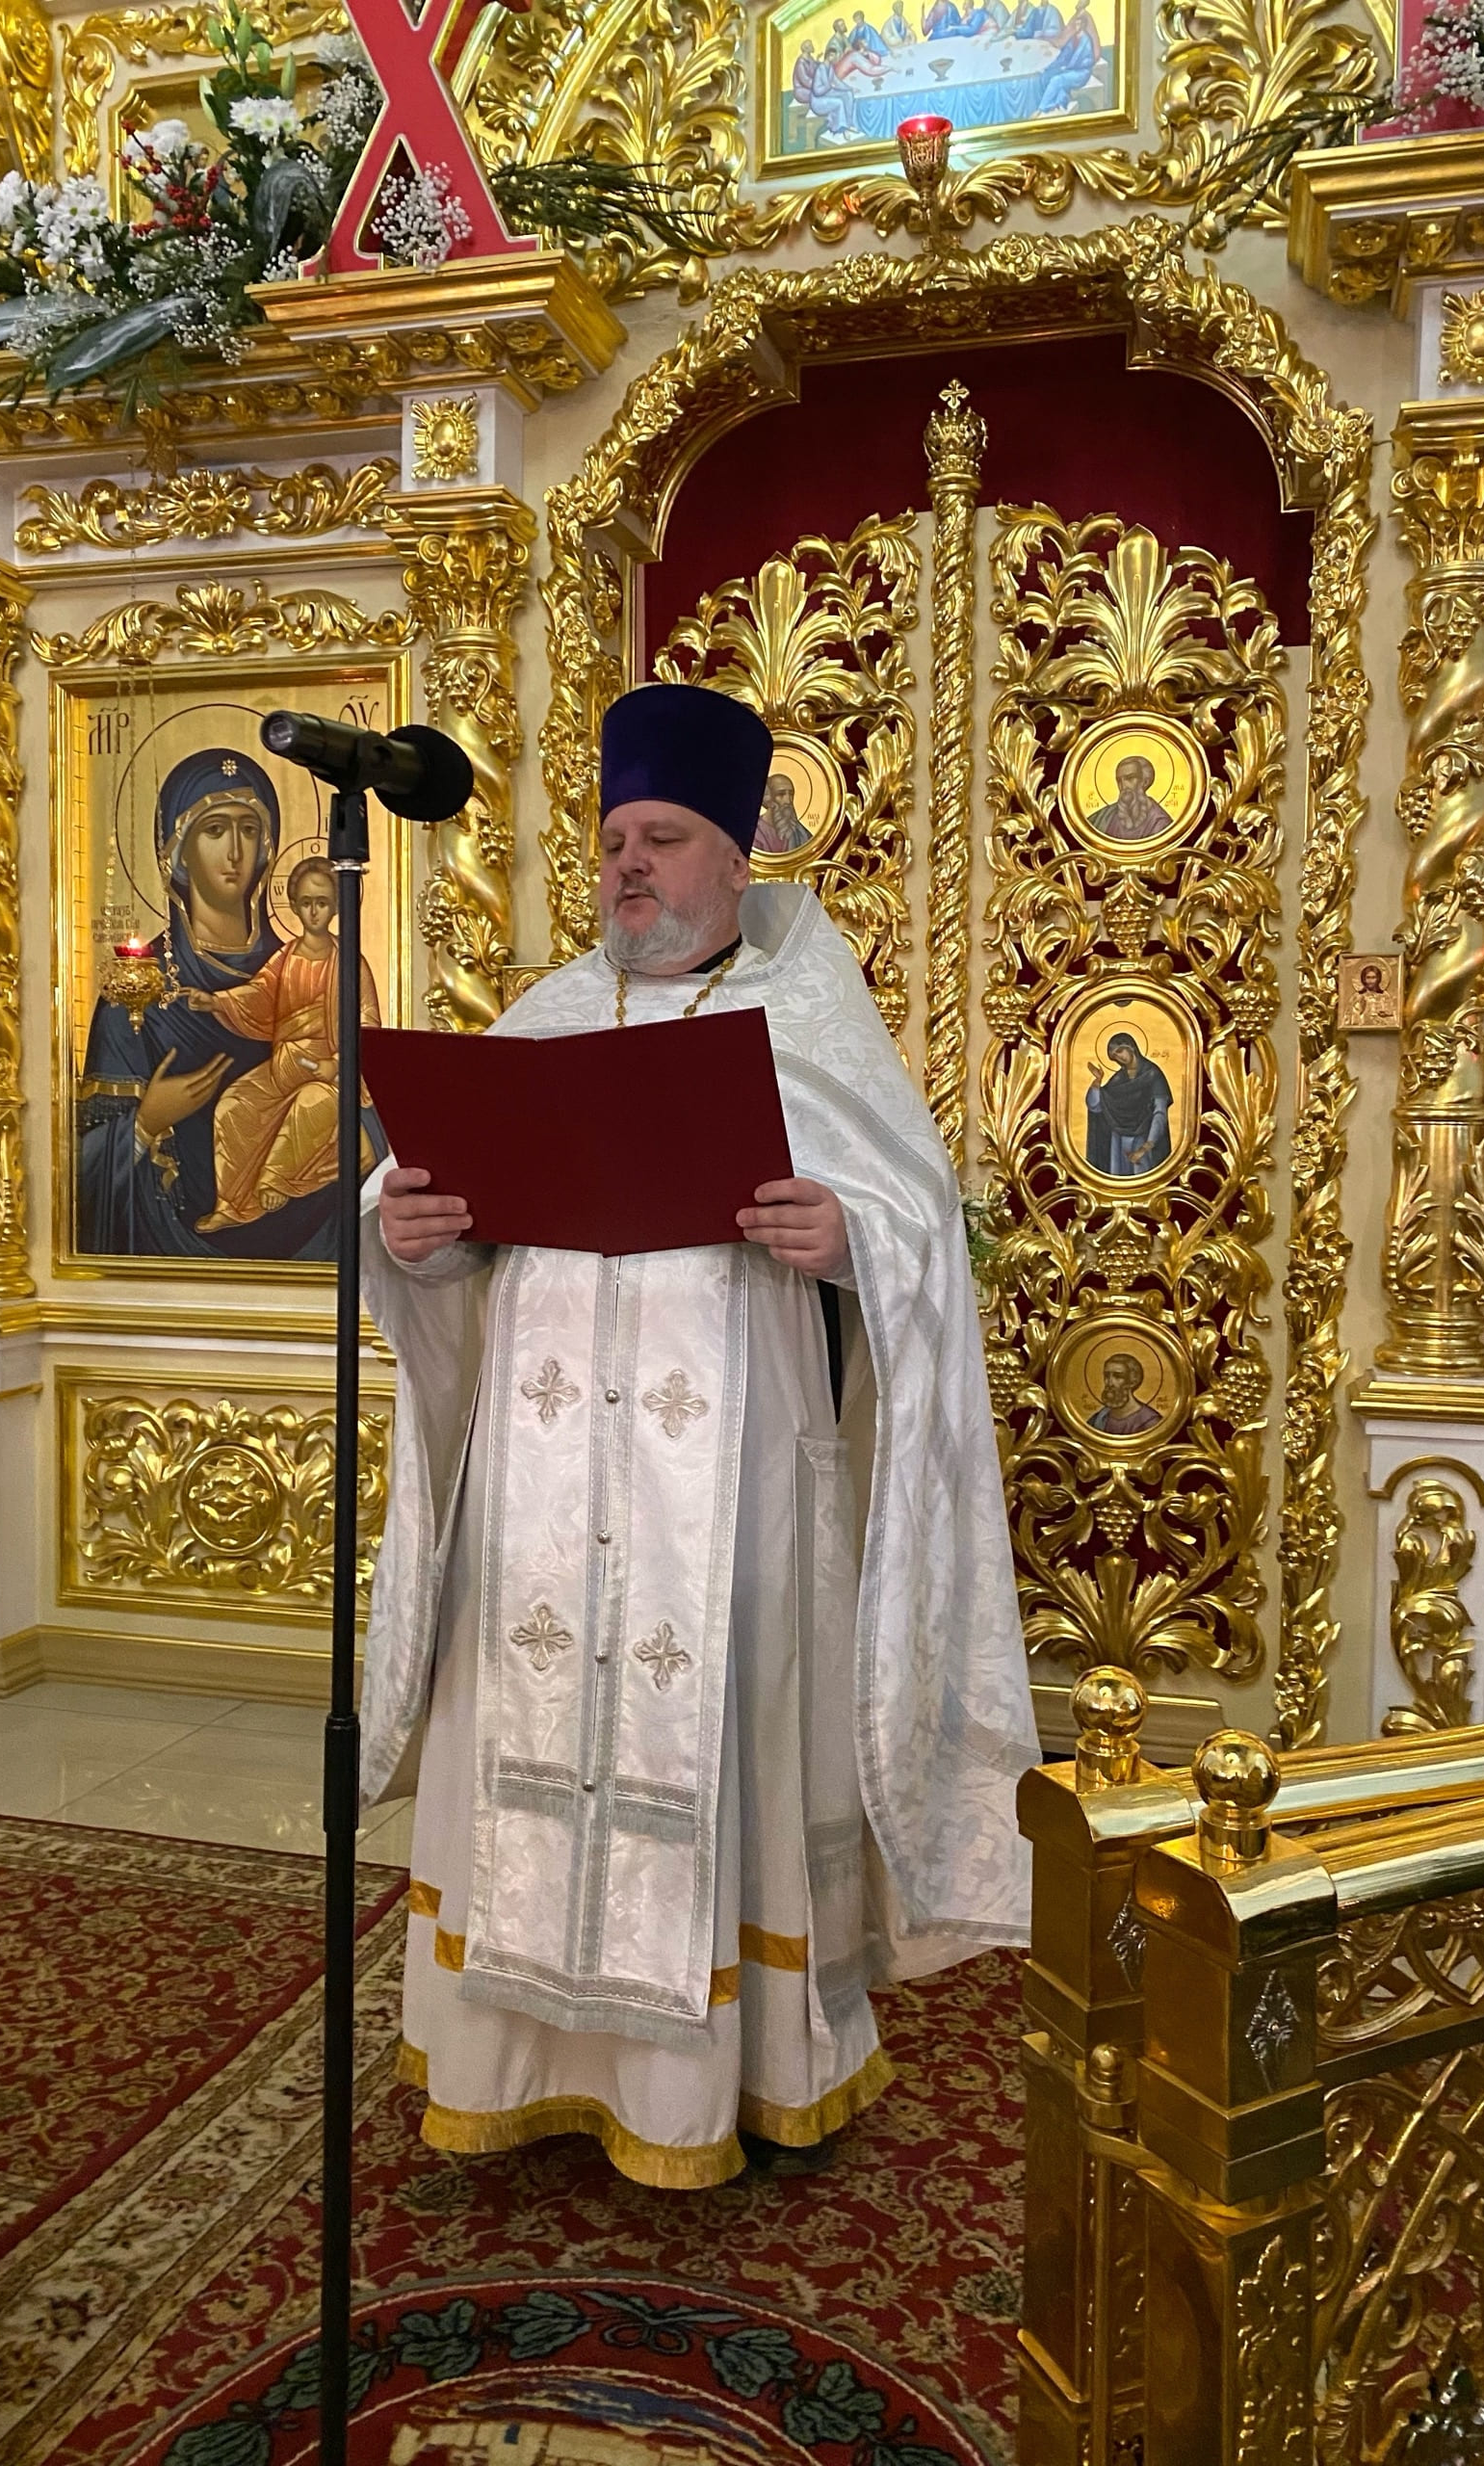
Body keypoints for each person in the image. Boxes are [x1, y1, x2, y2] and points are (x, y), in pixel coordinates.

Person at [362, 679, 1035, 2189]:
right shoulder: (542, 1017)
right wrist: (412, 1236)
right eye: (614, 842)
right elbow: (458, 1239)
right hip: (540, 1483)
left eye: (661, 840)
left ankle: (722, 2081)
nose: (628, 868)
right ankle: (512, 2059)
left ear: (737, 858)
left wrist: (849, 1240)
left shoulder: (811, 1021)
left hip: (725, 1488)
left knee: (719, 1738)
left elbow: (921, 1236)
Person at [76, 748, 385, 1260]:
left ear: (267, 847)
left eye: (249, 830)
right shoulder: (137, 990)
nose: (235, 852)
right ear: (177, 850)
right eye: (215, 830)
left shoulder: (308, 963)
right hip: (170, 1263)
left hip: (319, 1247)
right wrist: (146, 1122)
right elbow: (79, 1174)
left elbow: (374, 1088)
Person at [188, 855, 381, 1235]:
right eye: (306, 902)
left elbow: (367, 1024)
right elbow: (259, 994)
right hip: (283, 1068)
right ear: (293, 905)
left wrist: (337, 1063)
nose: (314, 912)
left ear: (336, 907)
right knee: (232, 1105)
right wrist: (216, 1002)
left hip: (330, 1075)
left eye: (322, 902)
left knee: (309, 1103)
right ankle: (231, 1206)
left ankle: (274, 1182)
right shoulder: (286, 957)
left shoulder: (350, 963)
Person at [1084, 1030, 1172, 1175]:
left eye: (1120, 1051)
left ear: (1131, 1047)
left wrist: (1146, 1147)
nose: (1119, 1057)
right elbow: (1096, 1106)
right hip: (1118, 1141)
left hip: (1144, 1138)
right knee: (1118, 1179)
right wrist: (1097, 1082)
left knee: (1143, 1177)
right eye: (1114, 1056)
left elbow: (1160, 1113)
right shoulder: (1119, 1079)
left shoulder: (1153, 1074)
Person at [1085, 750, 1174, 843]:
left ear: (1145, 782)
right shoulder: (1102, 817)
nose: (1123, 786)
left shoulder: (1159, 822)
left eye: (1130, 778)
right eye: (1119, 781)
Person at [1086, 1352, 1162, 1438]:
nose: (1110, 1383)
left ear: (1132, 1381)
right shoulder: (1098, 1419)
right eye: (1107, 1376)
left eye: (1118, 1377)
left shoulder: (1149, 1421)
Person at [755, 769, 812, 857]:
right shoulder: (757, 832)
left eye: (791, 794)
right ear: (768, 799)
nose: (788, 801)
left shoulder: (800, 832)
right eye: (781, 794)